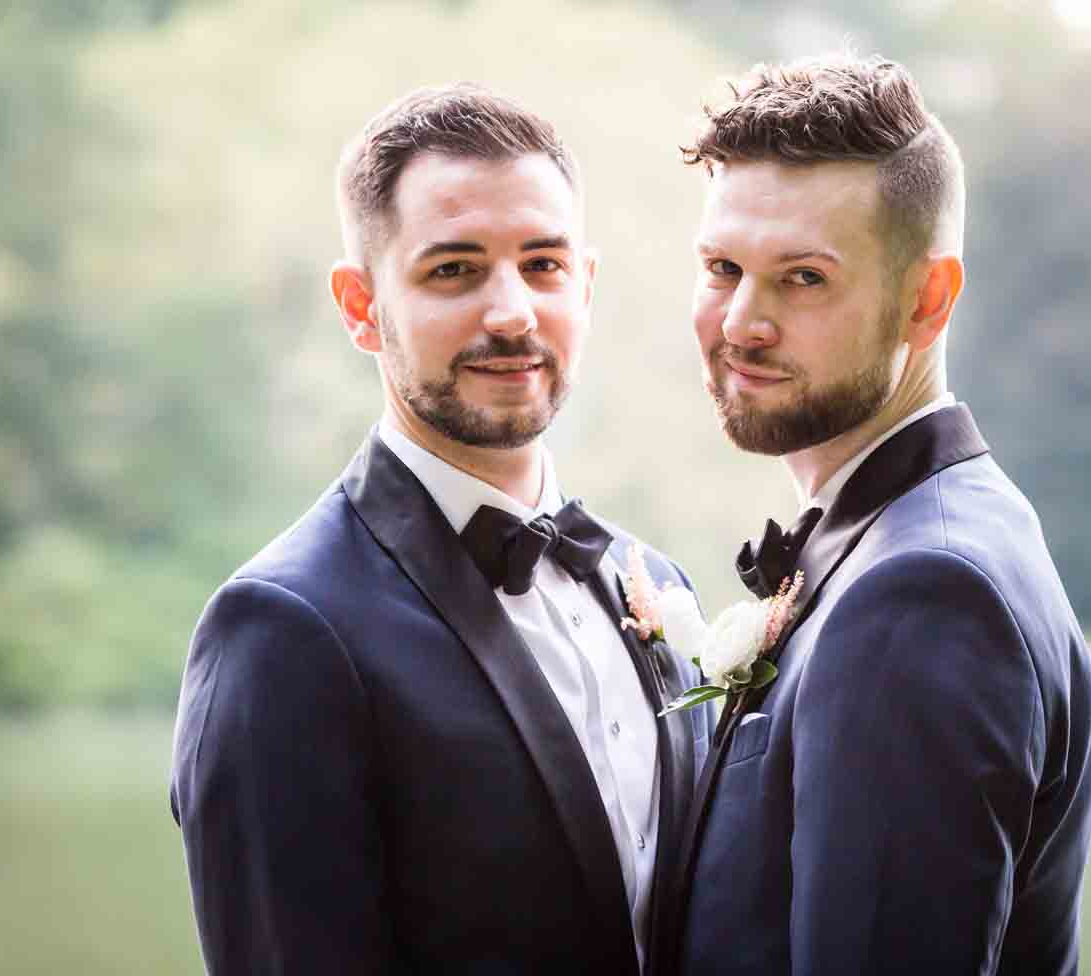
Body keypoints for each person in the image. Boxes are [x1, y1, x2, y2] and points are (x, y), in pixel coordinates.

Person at [169, 84, 709, 976]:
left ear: (585, 284)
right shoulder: (282, 631)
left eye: (544, 265)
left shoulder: (657, 585)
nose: (511, 313)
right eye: (454, 270)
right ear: (359, 305)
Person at [658, 55, 1091, 976]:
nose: (742, 321)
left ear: (928, 300)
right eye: (722, 268)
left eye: (804, 279)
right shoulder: (918, 534)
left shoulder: (922, 595)